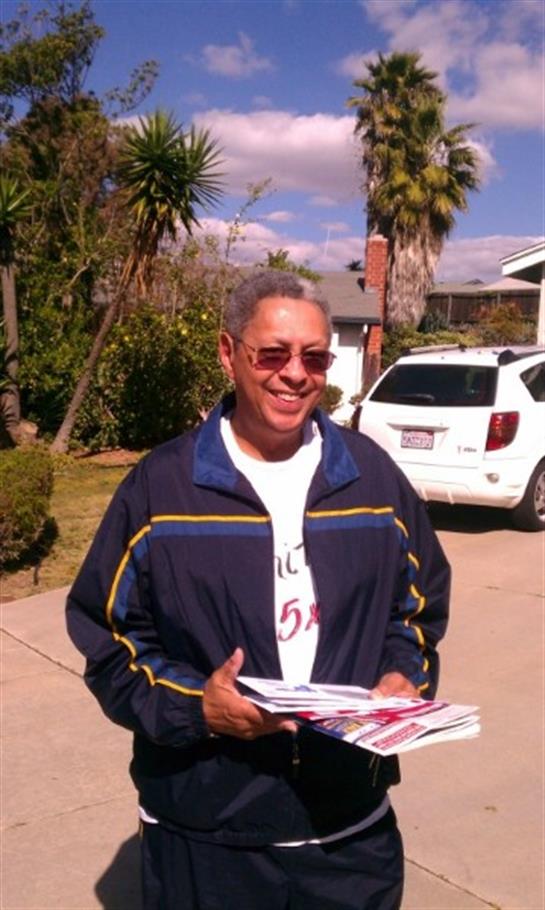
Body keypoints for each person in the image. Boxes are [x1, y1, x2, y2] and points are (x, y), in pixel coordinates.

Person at [66, 270, 450, 910]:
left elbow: (416, 610)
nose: (294, 374)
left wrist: (402, 677)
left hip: (348, 833)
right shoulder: (162, 490)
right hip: (207, 835)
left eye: (315, 357)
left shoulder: (374, 478)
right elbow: (109, 641)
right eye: (272, 353)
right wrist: (199, 707)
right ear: (228, 353)